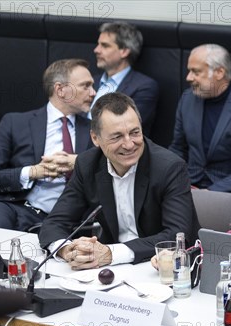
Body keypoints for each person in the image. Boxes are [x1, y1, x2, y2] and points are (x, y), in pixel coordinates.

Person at [38, 92, 199, 269]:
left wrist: (111, 253)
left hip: (158, 266)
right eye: (117, 137)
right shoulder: (87, 164)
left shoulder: (169, 167)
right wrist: (67, 250)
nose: (129, 144)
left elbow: (178, 236)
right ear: (95, 138)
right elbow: (55, 222)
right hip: (109, 269)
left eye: (135, 132)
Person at [0, 59, 95, 231]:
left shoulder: (95, 131)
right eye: (86, 86)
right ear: (61, 90)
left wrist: (77, 161)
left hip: (66, 218)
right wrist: (32, 172)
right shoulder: (16, 123)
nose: (93, 92)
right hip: (15, 206)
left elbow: (111, 168)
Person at [168, 44, 231, 216]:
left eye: (196, 71)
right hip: (189, 186)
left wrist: (211, 193)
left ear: (219, 72)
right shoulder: (187, 100)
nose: (188, 77)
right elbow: (178, 148)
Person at [91, 21, 159, 135]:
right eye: (98, 44)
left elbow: (124, 128)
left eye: (105, 45)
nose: (96, 50)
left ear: (124, 51)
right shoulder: (91, 82)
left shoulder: (144, 87)